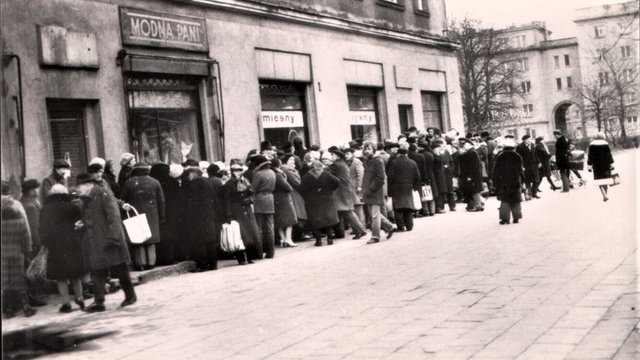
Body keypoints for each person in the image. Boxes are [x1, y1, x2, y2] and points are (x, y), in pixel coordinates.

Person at [75, 173, 136, 312]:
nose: (77, 189)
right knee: (98, 271)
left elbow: (114, 217)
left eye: (79, 187)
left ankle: (130, 295)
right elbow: (91, 218)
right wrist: (83, 224)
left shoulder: (103, 195)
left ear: (88, 185)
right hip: (97, 241)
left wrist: (114, 239)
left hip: (109, 240)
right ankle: (99, 302)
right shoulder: (87, 198)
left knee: (120, 269)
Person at [39, 184, 87, 313]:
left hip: (56, 246)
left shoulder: (46, 209)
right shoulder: (72, 207)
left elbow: (42, 230)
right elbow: (82, 224)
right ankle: (80, 298)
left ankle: (66, 303)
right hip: (73, 244)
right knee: (75, 274)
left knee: (61, 277)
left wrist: (46, 243)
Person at [120, 162, 165, 270]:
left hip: (135, 213)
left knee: (138, 238)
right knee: (150, 238)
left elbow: (123, 198)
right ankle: (151, 262)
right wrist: (162, 216)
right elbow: (161, 200)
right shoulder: (155, 182)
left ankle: (141, 263)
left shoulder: (129, 182)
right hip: (152, 214)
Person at [2, 190, 37, 318]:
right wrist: (27, 252)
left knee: (5, 282)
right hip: (18, 254)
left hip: (3, 254)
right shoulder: (20, 222)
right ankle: (26, 308)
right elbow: (26, 239)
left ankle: (8, 310)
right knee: (20, 280)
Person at [327, 148, 367, 240]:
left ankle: (361, 230)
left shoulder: (336, 165)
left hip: (340, 192)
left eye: (332, 155)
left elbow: (325, 171)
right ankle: (345, 232)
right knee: (342, 212)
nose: (331, 157)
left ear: (336, 156)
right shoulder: (343, 164)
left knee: (347, 212)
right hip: (345, 191)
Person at [182, 168, 218, 270]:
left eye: (188, 175)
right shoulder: (208, 183)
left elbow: (191, 204)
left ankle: (203, 264)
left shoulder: (193, 185)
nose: (188, 178)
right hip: (209, 215)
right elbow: (215, 200)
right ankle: (213, 264)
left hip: (197, 217)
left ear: (192, 174)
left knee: (199, 241)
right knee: (210, 240)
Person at [224, 163, 260, 263]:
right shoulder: (229, 184)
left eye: (240, 170)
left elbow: (252, 193)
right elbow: (227, 200)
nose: (239, 172)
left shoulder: (245, 181)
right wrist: (229, 214)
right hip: (236, 210)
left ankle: (250, 256)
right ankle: (241, 258)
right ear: (232, 172)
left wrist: (250, 199)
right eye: (236, 170)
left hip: (246, 209)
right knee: (239, 234)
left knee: (251, 233)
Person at [361, 142, 396, 244]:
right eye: (365, 149)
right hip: (368, 191)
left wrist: (371, 189)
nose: (367, 151)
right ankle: (389, 227)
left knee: (374, 215)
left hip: (375, 191)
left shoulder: (378, 161)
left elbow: (380, 177)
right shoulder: (367, 161)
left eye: (369, 149)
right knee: (375, 214)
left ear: (374, 150)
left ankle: (375, 236)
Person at [299, 160, 340, 246]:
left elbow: (301, 189)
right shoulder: (326, 174)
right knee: (328, 219)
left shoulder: (306, 177)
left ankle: (318, 241)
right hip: (327, 198)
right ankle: (330, 239)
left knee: (315, 220)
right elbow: (337, 181)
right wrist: (330, 189)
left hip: (312, 201)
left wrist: (307, 196)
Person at [20, 179, 47, 307]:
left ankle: (36, 294)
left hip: (28, 243)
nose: (37, 191)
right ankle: (35, 296)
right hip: (33, 243)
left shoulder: (24, 202)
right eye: (35, 189)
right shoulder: (30, 206)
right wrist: (40, 243)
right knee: (34, 270)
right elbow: (35, 227)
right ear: (31, 191)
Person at [149, 163, 182, 265]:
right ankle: (170, 257)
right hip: (172, 211)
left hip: (157, 211)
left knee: (160, 235)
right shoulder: (172, 182)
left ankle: (159, 258)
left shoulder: (153, 182)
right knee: (171, 234)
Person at [386, 144, 421, 232]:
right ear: (406, 154)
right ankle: (409, 225)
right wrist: (415, 187)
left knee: (398, 207)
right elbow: (417, 176)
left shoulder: (394, 163)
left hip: (396, 187)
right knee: (408, 206)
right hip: (408, 186)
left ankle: (400, 226)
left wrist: (389, 191)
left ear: (398, 154)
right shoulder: (412, 162)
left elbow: (390, 177)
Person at [492, 139, 525, 225]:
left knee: (505, 200)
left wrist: (495, 181)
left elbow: (495, 171)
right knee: (515, 200)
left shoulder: (500, 156)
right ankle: (516, 218)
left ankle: (505, 219)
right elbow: (520, 170)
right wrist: (522, 180)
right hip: (515, 181)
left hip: (503, 181)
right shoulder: (518, 156)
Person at [250, 155, 277, 258]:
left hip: (259, 199)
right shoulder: (272, 172)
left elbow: (253, 189)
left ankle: (259, 252)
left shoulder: (258, 174)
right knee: (270, 227)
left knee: (259, 227)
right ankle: (271, 252)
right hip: (270, 199)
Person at [271, 158, 298, 247]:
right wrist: (290, 188)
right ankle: (288, 239)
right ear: (279, 164)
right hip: (284, 198)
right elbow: (287, 187)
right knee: (290, 220)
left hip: (276, 198)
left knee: (280, 221)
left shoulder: (272, 173)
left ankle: (282, 239)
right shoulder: (278, 175)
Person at [281, 154, 307, 242]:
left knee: (297, 213)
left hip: (294, 193)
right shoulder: (287, 170)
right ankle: (297, 235)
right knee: (297, 213)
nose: (293, 161)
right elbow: (296, 182)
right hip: (293, 193)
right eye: (291, 160)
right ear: (286, 161)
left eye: (293, 160)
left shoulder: (290, 169)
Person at [458, 138, 485, 211]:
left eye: (465, 144)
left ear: (469, 144)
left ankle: (478, 205)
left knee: (474, 190)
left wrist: (470, 176)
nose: (464, 146)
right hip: (473, 175)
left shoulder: (472, 152)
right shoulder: (471, 152)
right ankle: (478, 204)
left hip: (473, 175)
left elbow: (474, 166)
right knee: (474, 190)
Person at [587, 132, 615, 202]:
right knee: (606, 180)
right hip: (606, 164)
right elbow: (609, 155)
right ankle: (605, 194)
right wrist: (611, 163)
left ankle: (604, 195)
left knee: (599, 180)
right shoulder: (605, 144)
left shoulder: (592, 145)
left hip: (597, 165)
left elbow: (590, 156)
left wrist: (589, 165)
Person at [344, 148, 366, 226]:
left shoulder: (356, 161)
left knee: (358, 207)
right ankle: (357, 226)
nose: (346, 155)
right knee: (354, 207)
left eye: (348, 154)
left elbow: (360, 174)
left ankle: (361, 226)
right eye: (345, 154)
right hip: (350, 188)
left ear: (352, 154)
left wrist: (359, 186)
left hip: (356, 187)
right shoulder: (347, 162)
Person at [516, 135, 540, 199]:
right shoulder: (520, 147)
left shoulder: (532, 145)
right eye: (528, 139)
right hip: (526, 166)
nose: (529, 140)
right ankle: (529, 195)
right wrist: (521, 166)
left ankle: (534, 193)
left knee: (536, 180)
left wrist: (538, 162)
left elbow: (536, 154)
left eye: (530, 139)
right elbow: (519, 157)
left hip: (534, 165)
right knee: (527, 181)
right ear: (524, 140)